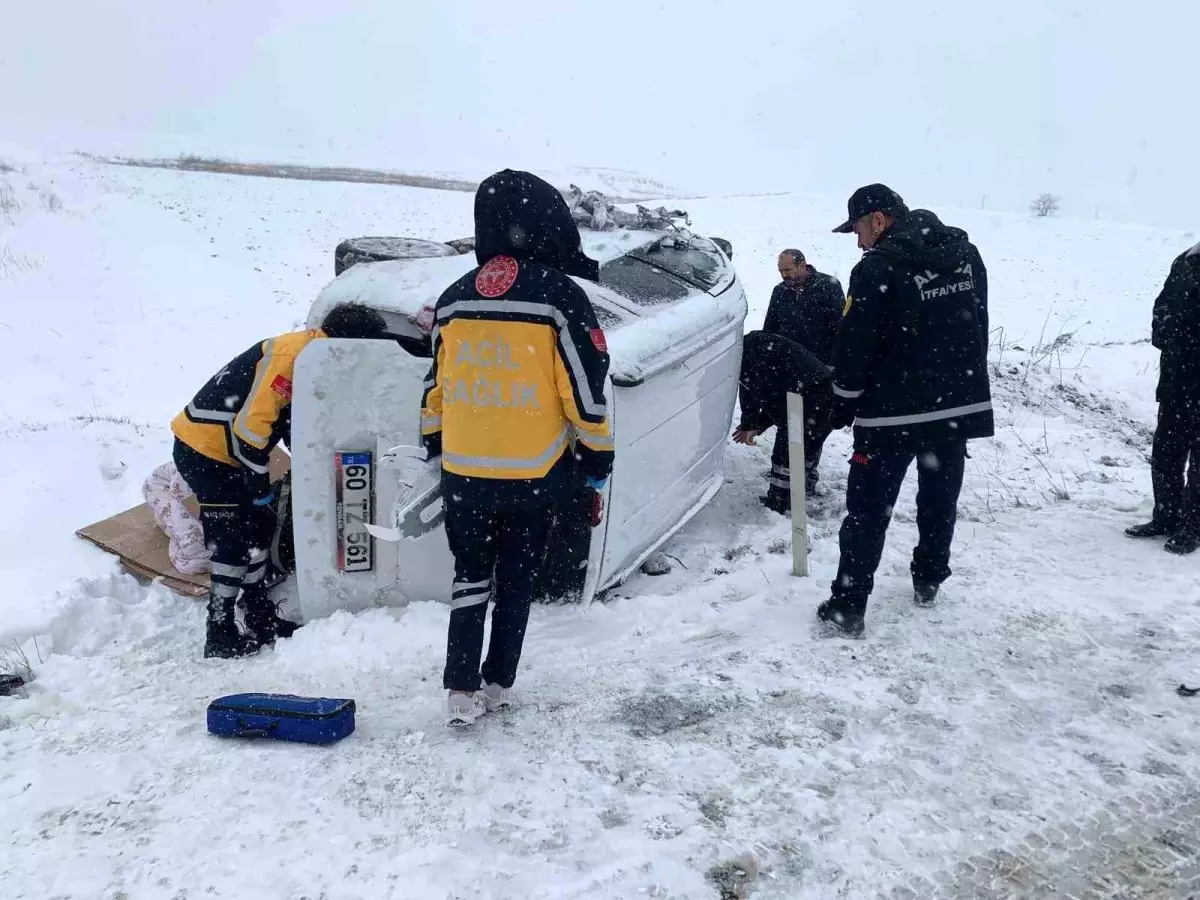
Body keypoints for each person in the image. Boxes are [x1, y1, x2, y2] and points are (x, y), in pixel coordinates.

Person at [420, 169, 615, 727]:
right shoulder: (559, 297)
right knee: (518, 579)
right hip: (533, 475)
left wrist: (434, 447)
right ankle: (498, 683)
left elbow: (435, 386)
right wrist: (598, 458)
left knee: (470, 575)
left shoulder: (454, 298)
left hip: (464, 472)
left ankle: (458, 689)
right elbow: (583, 392)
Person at [820, 186, 993, 637]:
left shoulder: (877, 267)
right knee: (940, 501)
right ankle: (930, 579)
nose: (859, 241)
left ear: (878, 219)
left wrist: (843, 399)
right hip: (953, 409)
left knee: (868, 511)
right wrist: (962, 390)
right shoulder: (966, 256)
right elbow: (979, 323)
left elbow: (856, 344)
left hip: (889, 416)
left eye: (858, 229)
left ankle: (849, 605)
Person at [171, 303, 389, 658]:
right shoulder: (292, 357)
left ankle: (258, 615)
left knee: (259, 527)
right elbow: (250, 427)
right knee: (232, 540)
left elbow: (290, 418)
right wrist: (257, 479)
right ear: (345, 344)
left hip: (229, 451)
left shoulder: (314, 356)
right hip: (205, 451)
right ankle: (220, 631)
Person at [733, 249, 845, 511]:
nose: (785, 276)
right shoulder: (780, 292)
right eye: (781, 272)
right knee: (791, 424)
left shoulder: (828, 286)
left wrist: (833, 365)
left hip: (818, 369)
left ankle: (803, 480)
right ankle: (790, 480)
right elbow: (771, 326)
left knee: (810, 427)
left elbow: (841, 328)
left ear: (803, 265)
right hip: (784, 366)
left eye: (789, 271)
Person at [1125, 241, 1200, 554]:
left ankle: (1193, 527)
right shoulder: (1185, 260)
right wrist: (1169, 330)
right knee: (1166, 451)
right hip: (1176, 379)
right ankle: (1166, 516)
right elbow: (1162, 306)